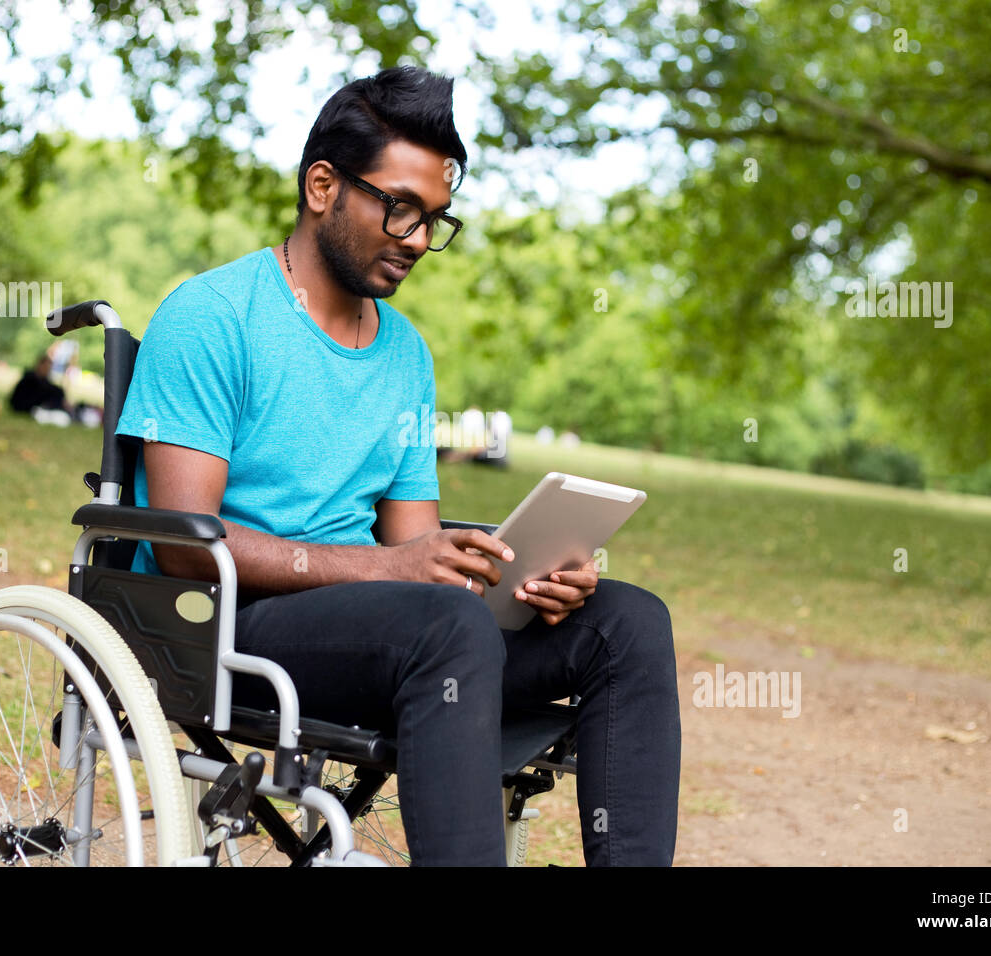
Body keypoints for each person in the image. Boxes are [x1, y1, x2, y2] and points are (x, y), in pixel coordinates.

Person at [115, 65, 680, 866]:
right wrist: (396, 568)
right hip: (230, 628)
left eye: (435, 219)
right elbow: (185, 545)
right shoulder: (212, 316)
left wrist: (522, 574)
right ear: (323, 186)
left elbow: (418, 551)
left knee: (626, 622)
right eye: (400, 208)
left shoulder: (405, 352)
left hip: (393, 634)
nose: (418, 239)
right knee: (445, 628)